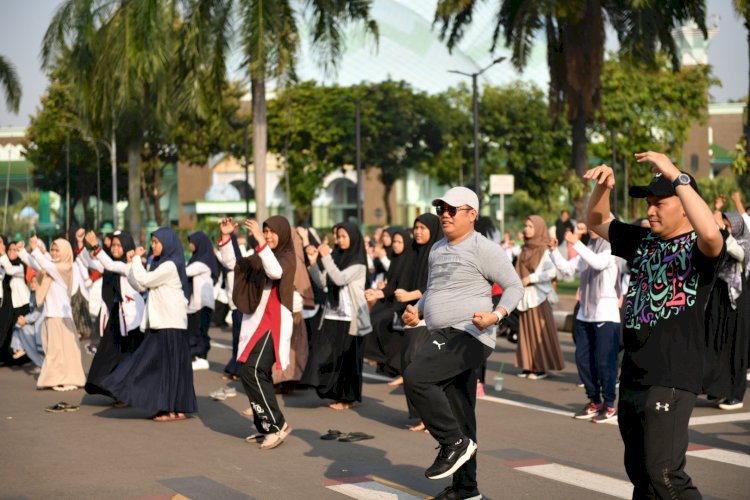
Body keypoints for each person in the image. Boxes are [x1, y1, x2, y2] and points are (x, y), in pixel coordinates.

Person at [584, 152, 724, 499]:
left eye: (659, 203)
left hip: (673, 377)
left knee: (664, 475)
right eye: (648, 203)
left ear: (685, 205)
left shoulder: (700, 246)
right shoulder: (643, 241)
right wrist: (603, 187)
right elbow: (596, 219)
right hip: (633, 373)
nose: (650, 210)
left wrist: (677, 176)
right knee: (642, 477)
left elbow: (709, 231)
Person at [401, 187, 523, 500]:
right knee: (461, 412)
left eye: (453, 209)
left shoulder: (484, 248)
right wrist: (418, 311)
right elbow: (434, 290)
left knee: (416, 377)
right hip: (441, 333)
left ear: (472, 214)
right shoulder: (438, 249)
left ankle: (453, 443)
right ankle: (467, 490)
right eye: (442, 208)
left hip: (469, 334)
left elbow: (513, 286)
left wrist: (496, 315)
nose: (445, 214)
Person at [102, 227, 197, 422]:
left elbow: (144, 281)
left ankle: (171, 409)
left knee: (164, 367)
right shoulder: (161, 264)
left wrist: (136, 260)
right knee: (166, 367)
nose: (152, 246)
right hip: (163, 321)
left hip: (169, 322)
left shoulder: (171, 265)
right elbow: (139, 284)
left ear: (167, 242)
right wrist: (132, 264)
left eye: (156, 242)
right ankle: (174, 408)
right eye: (151, 242)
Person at [219, 216, 296, 449]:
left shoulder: (287, 257)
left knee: (253, 371)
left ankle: (276, 425)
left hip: (274, 324)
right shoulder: (259, 256)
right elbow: (234, 263)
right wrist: (226, 236)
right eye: (265, 231)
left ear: (282, 233)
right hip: (256, 323)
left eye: (272, 232)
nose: (269, 236)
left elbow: (275, 272)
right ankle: (266, 426)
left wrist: (261, 242)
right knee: (250, 373)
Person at [549, 220, 623, 422]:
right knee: (583, 360)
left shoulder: (612, 248)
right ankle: (594, 400)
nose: (590, 227)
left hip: (605, 314)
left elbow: (598, 263)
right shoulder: (588, 248)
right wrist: (554, 251)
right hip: (585, 313)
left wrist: (575, 243)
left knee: (604, 363)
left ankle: (609, 404)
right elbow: (568, 270)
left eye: (595, 223)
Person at [302, 222, 372, 411]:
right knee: (323, 354)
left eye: (343, 236)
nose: (339, 240)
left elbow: (340, 278)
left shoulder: (358, 264)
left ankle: (347, 398)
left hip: (352, 320)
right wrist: (313, 263)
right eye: (337, 236)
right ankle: (331, 392)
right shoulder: (335, 258)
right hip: (332, 316)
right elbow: (323, 281)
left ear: (353, 238)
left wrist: (325, 258)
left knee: (348, 362)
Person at [81, 230, 145, 402]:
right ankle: (114, 390)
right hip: (118, 317)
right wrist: (84, 245)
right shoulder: (120, 264)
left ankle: (126, 394)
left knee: (128, 356)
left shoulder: (130, 266)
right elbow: (101, 263)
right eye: (113, 245)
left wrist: (95, 245)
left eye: (119, 245)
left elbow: (110, 265)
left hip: (132, 320)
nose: (115, 248)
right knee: (108, 354)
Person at [18, 236, 86, 391]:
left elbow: (43, 263)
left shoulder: (65, 268)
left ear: (65, 252)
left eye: (57, 250)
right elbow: (37, 264)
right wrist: (22, 252)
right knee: (53, 350)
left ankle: (70, 378)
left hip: (62, 317)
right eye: (53, 250)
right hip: (52, 315)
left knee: (67, 351)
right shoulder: (52, 267)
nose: (54, 253)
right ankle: (56, 378)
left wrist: (35, 248)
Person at [398, 213, 443, 431]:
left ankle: (431, 417)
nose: (417, 231)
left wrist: (410, 296)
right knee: (408, 364)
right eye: (416, 227)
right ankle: (421, 415)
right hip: (410, 316)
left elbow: (434, 285)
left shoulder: (437, 253)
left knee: (417, 365)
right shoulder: (412, 253)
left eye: (423, 227)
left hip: (428, 317)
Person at [703, 209, 749, 411]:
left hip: (738, 302)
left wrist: (721, 232)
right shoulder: (723, 242)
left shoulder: (744, 244)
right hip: (718, 299)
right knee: (716, 343)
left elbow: (737, 253)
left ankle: (736, 394)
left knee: (736, 348)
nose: (726, 228)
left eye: (729, 225)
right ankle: (718, 388)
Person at [515, 215, 565, 380]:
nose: (526, 229)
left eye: (530, 226)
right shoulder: (524, 249)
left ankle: (540, 367)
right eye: (526, 225)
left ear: (539, 228)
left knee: (538, 333)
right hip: (525, 295)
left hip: (538, 296)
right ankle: (528, 366)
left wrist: (531, 278)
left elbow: (551, 272)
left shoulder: (544, 249)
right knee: (526, 330)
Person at [364, 228, 414, 380]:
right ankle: (385, 363)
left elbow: (406, 283)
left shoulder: (410, 259)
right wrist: (381, 289)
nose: (395, 245)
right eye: (394, 241)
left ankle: (396, 366)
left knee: (382, 321)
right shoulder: (396, 258)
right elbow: (392, 282)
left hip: (404, 301)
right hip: (390, 298)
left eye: (399, 242)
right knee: (374, 319)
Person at [186, 231, 218, 370]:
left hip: (202, 303)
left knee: (200, 331)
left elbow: (186, 271)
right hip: (196, 303)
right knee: (195, 331)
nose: (190, 245)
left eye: (192, 242)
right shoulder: (198, 258)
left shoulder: (202, 262)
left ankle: (201, 357)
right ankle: (197, 356)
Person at [0, 239, 31, 365]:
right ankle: (6, 357)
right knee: (6, 330)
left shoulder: (20, 266)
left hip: (20, 304)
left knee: (19, 330)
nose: (12, 252)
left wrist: (2, 254)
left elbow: (10, 270)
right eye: (10, 250)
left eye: (15, 250)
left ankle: (25, 356)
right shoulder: (3, 263)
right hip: (7, 303)